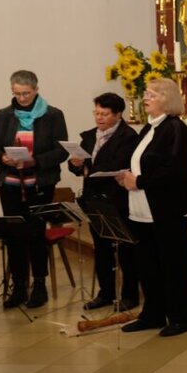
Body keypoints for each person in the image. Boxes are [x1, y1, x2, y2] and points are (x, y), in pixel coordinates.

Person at [115, 78, 187, 337]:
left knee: (173, 264)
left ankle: (183, 317)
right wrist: (127, 175)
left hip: (168, 209)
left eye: (151, 94)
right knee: (148, 264)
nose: (146, 98)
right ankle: (153, 313)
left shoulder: (175, 129)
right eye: (146, 94)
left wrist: (138, 180)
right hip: (143, 209)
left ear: (167, 98)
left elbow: (177, 170)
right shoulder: (149, 128)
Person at [0, 70, 68, 309]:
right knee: (14, 235)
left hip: (39, 183)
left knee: (35, 233)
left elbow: (61, 150)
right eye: (17, 93)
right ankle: (19, 286)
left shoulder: (53, 115)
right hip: (11, 184)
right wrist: (3, 157)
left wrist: (36, 161)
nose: (22, 98)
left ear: (36, 90)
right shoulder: (3, 116)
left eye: (26, 93)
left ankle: (40, 285)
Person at [67, 92, 140, 311]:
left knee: (126, 250)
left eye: (104, 114)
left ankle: (130, 295)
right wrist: (77, 164)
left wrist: (90, 168)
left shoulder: (128, 136)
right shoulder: (89, 136)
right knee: (101, 249)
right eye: (96, 113)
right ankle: (105, 293)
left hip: (118, 198)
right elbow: (75, 168)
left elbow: (119, 163)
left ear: (118, 114)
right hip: (94, 199)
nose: (99, 118)